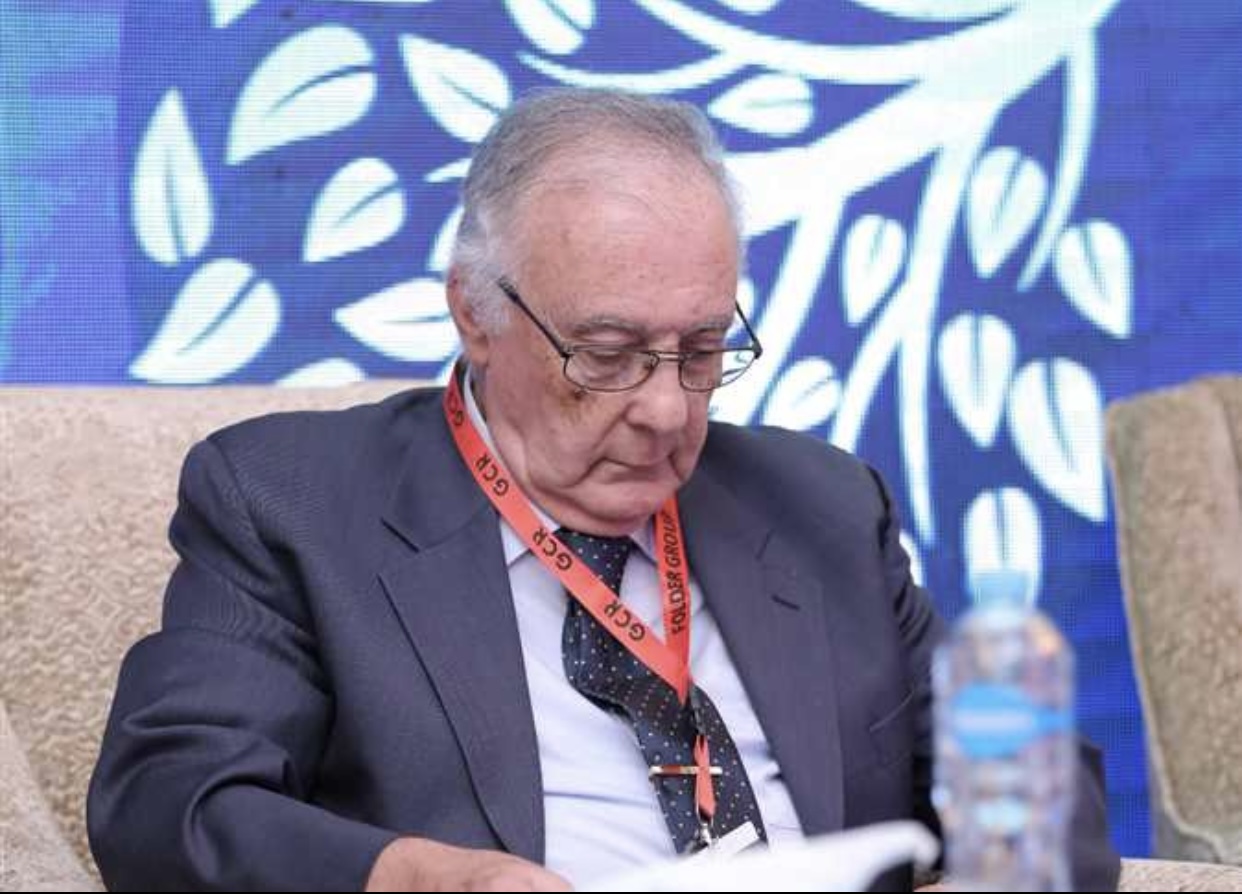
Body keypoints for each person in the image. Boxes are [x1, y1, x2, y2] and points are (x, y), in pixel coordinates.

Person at [88, 87, 1120, 892]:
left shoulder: (821, 505)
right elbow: (169, 801)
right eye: (609, 355)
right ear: (475, 313)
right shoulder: (295, 504)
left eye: (702, 351)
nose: (667, 410)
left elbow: (1035, 776)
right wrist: (416, 877)